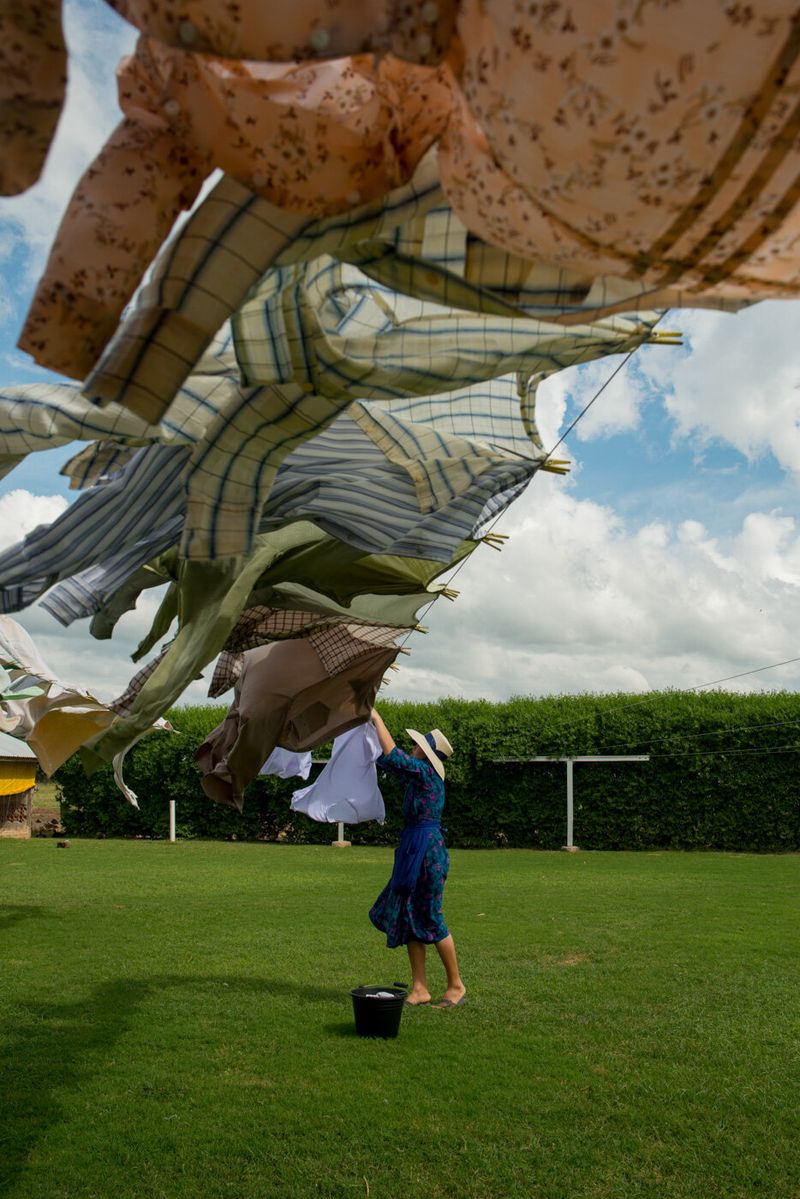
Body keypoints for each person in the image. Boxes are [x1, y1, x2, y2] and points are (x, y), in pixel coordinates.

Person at [368, 707, 467, 1009]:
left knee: (430, 916)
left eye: (418, 746)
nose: (413, 748)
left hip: (427, 853)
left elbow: (395, 757)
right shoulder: (417, 776)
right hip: (414, 849)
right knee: (411, 917)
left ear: (427, 754)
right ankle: (420, 988)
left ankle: (456, 985)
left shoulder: (426, 775)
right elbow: (389, 761)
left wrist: (376, 718)